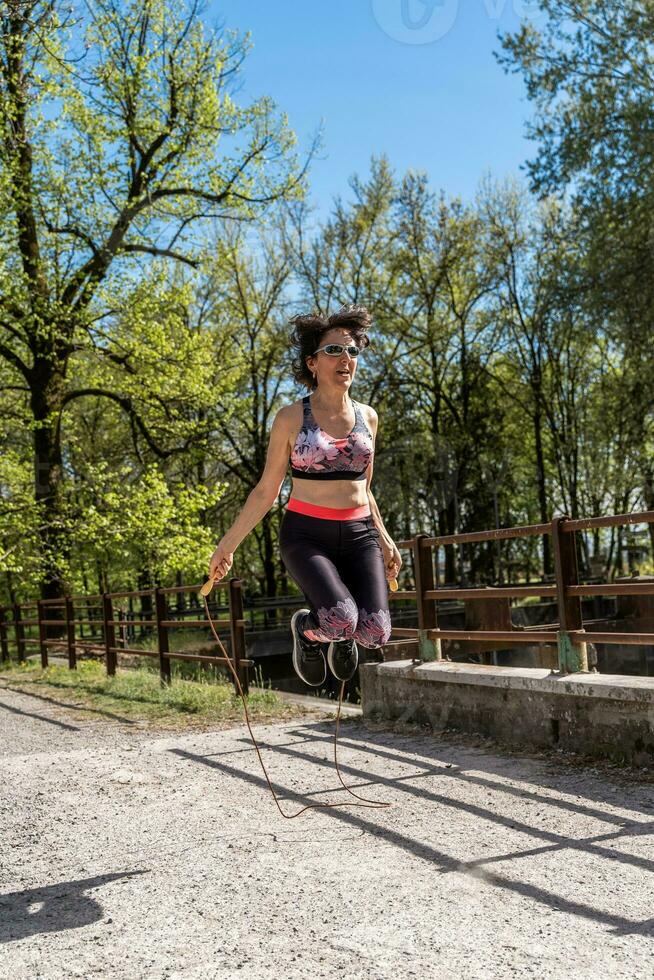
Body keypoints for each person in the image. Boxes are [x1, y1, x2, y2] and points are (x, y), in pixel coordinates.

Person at [208, 304, 402, 687]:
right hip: (307, 535)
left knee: (377, 633)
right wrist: (226, 545)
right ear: (312, 363)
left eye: (352, 351)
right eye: (334, 351)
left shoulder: (369, 417)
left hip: (359, 533)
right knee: (341, 619)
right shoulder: (291, 418)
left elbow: (365, 486)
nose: (345, 359)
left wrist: (384, 537)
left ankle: (342, 634)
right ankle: (309, 632)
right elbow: (267, 490)